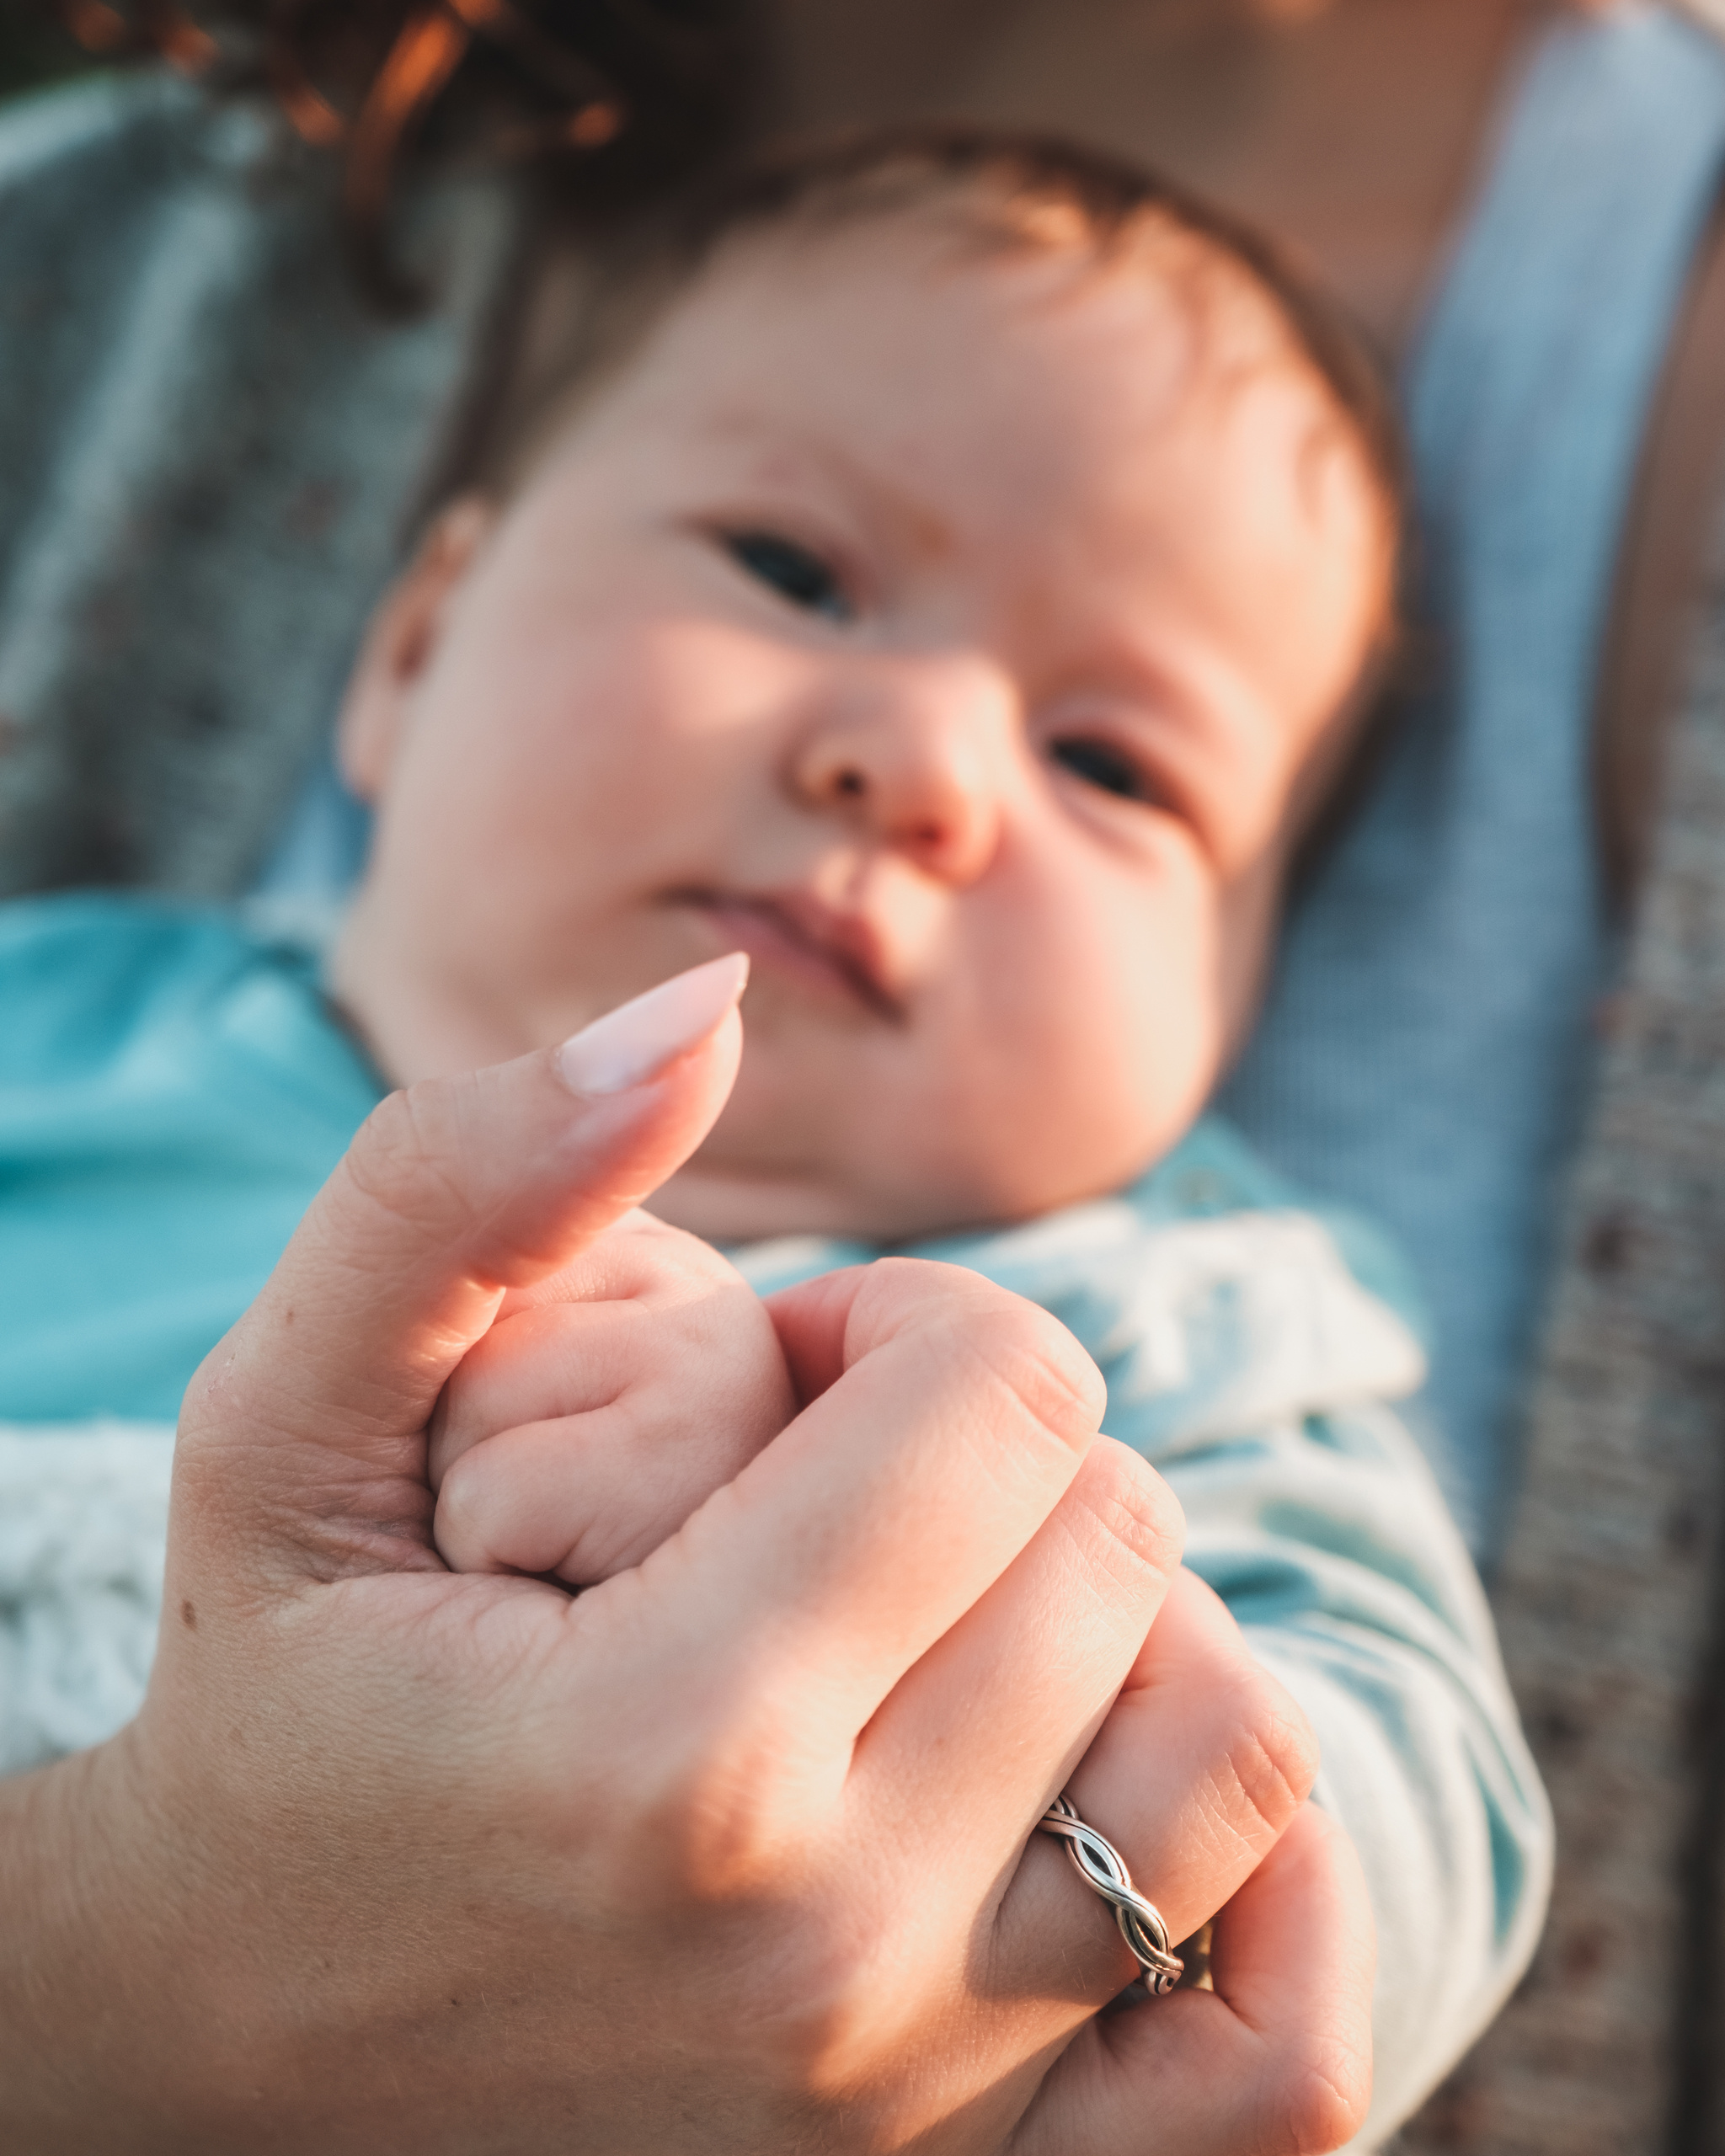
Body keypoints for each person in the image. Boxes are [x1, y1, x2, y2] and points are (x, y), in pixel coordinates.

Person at [0, 129, 1546, 2149]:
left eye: (1112, 763)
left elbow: (1401, 1779)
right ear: (406, 646)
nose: (917, 762)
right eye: (791, 568)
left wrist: (1065, 1779)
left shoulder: (1177, 1314)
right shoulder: (66, 1020)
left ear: (1232, 998)